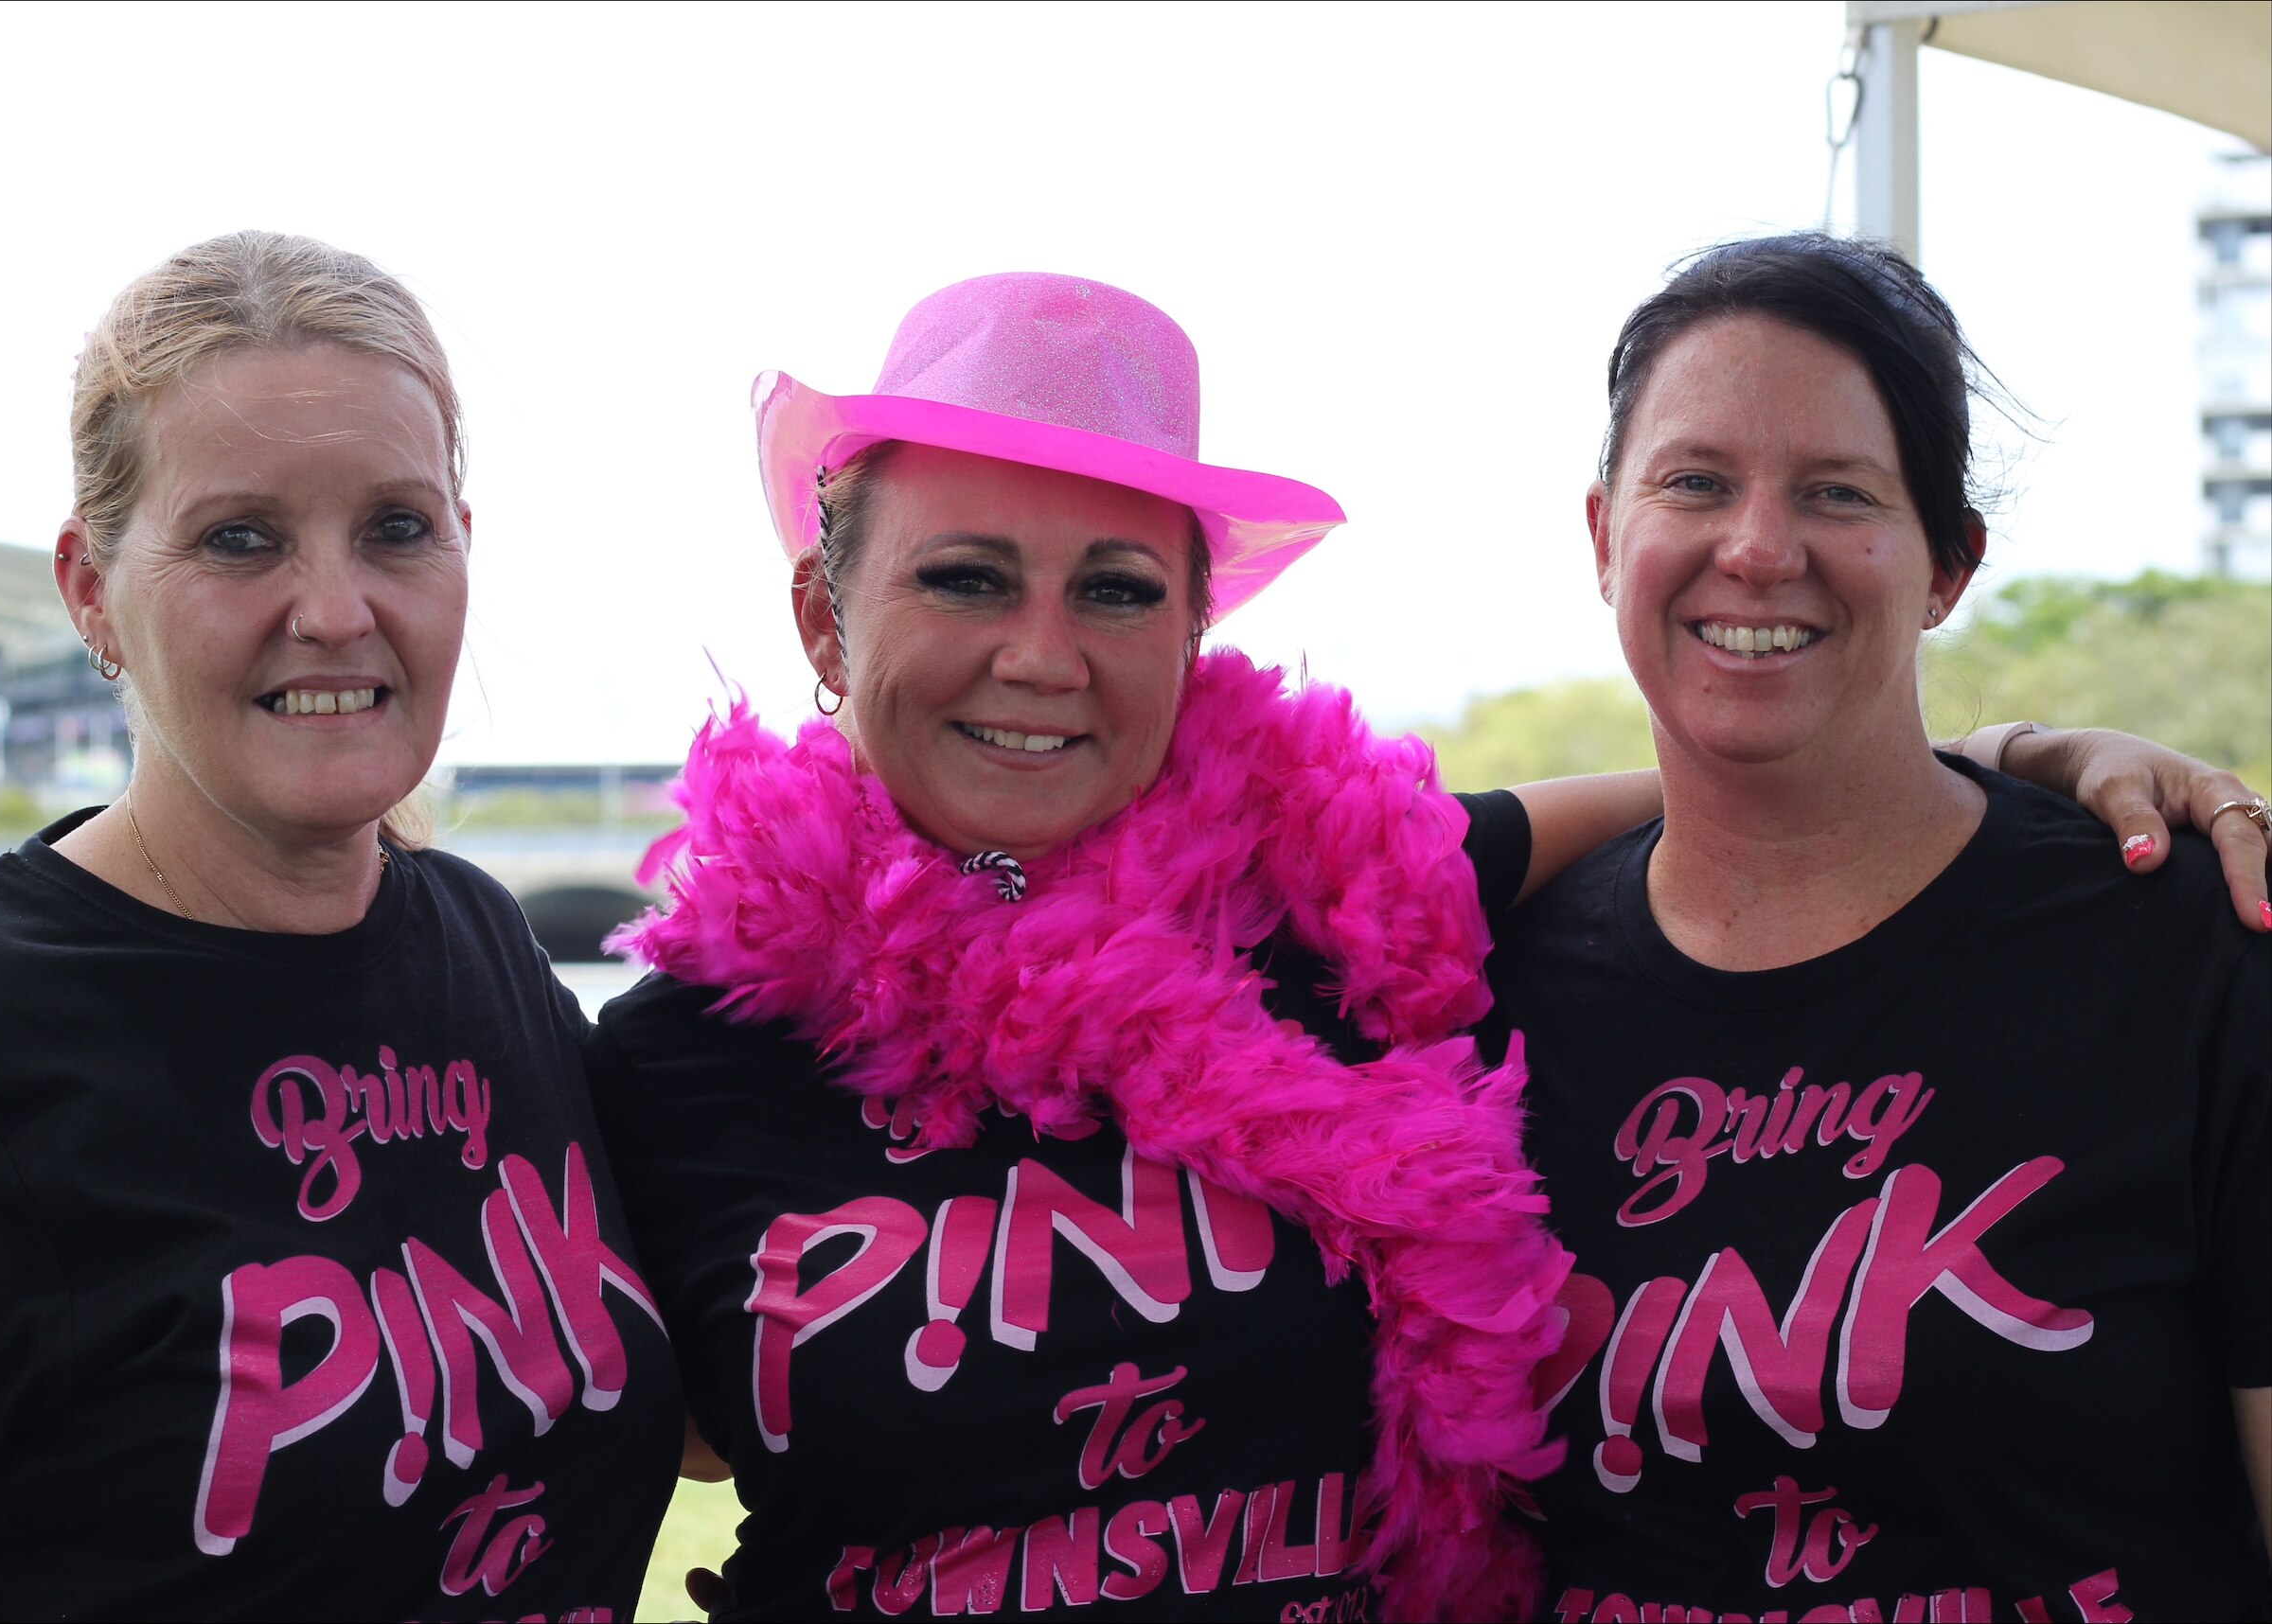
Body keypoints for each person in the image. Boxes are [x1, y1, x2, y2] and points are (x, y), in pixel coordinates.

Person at [584, 271, 2254, 1622]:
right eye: (963, 578)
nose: (1042, 656)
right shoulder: (668, 1058)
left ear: (1190, 629)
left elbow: (1737, 782)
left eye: (1114, 591)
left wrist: (2007, 756)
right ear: (824, 615)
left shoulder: (1345, 905)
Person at [0, 233, 681, 1621]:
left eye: (397, 529)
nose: (338, 610)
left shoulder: (477, 941)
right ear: (90, 590)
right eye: (243, 540)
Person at [1484, 234, 2272, 1620]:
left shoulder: (2188, 950)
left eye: (1836, 493)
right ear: (1605, 536)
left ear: (1946, 566)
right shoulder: (1479, 994)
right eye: (1695, 482)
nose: (1757, 548)